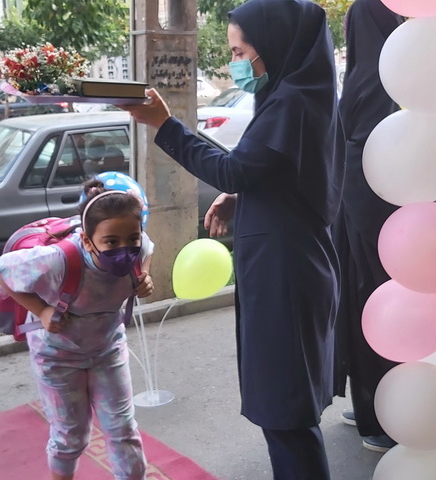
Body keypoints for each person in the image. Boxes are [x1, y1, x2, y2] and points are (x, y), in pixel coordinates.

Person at [125, 0, 344, 477]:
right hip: (288, 265)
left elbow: (233, 168)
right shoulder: (297, 96)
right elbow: (287, 177)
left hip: (286, 275)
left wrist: (165, 124)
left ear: (274, 46)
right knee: (285, 410)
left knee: (286, 414)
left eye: (240, 52)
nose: (235, 63)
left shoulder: (292, 102)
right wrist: (242, 198)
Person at [0, 179, 155, 480]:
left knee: (123, 430)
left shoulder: (138, 243)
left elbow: (147, 247)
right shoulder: (58, 260)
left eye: (131, 238)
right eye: (111, 242)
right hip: (57, 357)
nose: (124, 248)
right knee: (71, 436)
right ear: (87, 240)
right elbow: (1, 269)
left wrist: (143, 275)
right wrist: (42, 310)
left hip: (107, 350)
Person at [332, 0, 404, 453]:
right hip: (373, 213)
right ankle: (374, 408)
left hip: (365, 214)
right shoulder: (393, 80)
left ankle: (383, 415)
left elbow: (354, 146)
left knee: (370, 307)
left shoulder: (367, 83)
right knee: (371, 308)